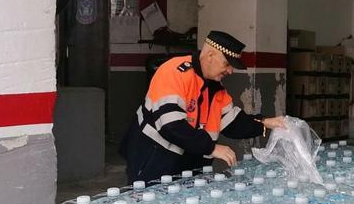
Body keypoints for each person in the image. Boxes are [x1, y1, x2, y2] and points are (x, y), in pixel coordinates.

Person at [120, 30, 286, 182]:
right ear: (210, 55)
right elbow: (171, 125)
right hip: (152, 159)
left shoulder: (216, 89)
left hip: (187, 163)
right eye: (227, 64)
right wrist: (211, 148)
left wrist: (265, 122)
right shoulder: (174, 72)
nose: (230, 71)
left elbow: (234, 123)